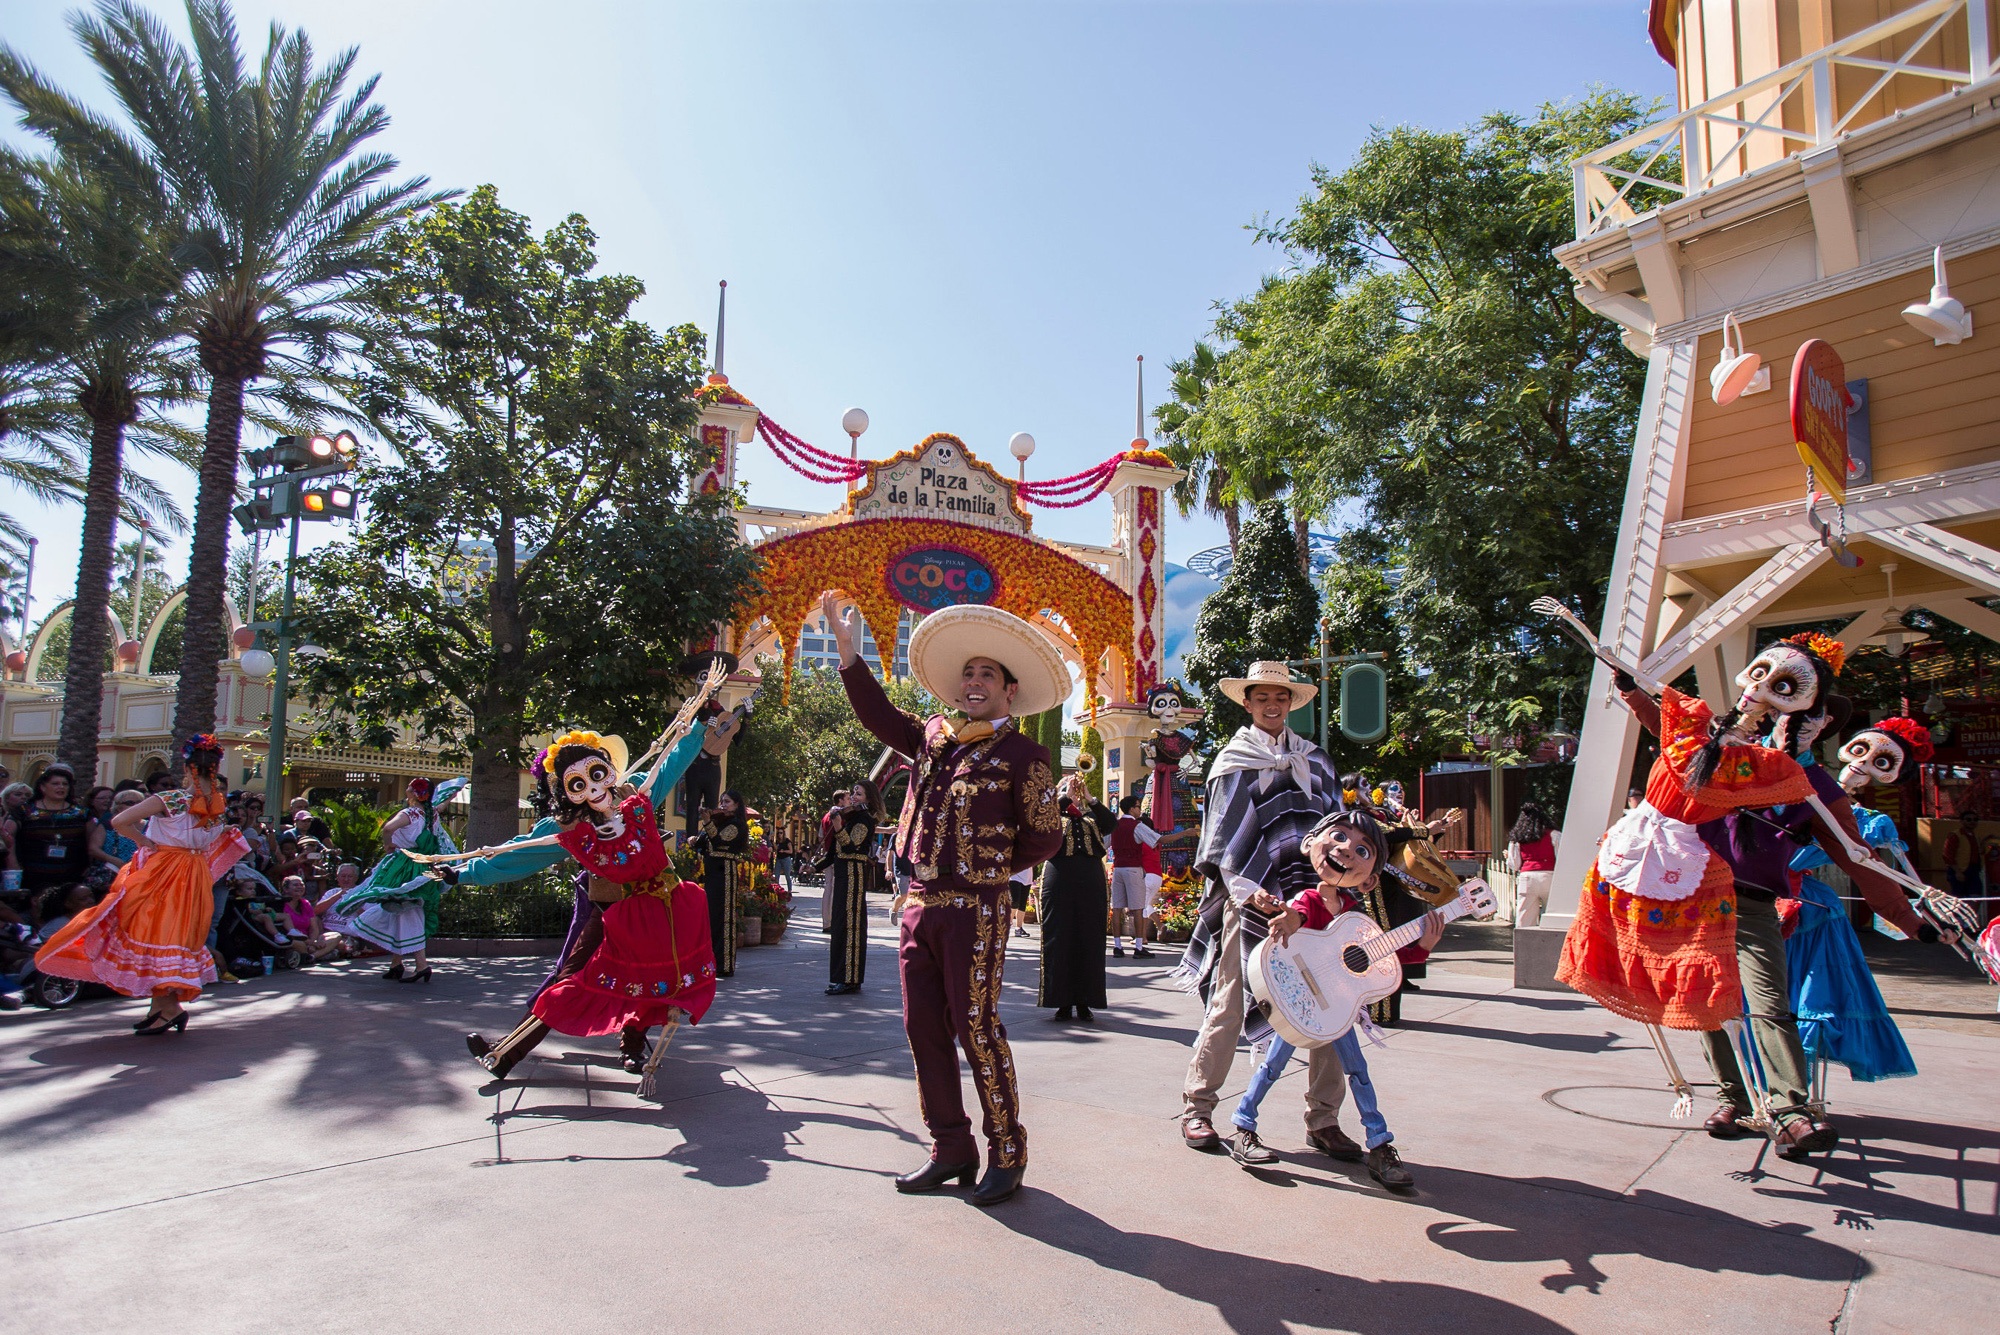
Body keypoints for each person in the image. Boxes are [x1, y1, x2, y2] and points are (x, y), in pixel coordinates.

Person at [826, 592, 1063, 1206]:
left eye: (988, 673)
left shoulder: (1024, 756)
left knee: (975, 1027)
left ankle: (1007, 1151)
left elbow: (1045, 836)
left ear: (1010, 692)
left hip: (976, 910)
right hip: (918, 904)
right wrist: (850, 656)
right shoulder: (933, 737)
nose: (974, 680)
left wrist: (987, 872)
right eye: (969, 673)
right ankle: (950, 1147)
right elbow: (880, 718)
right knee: (921, 1027)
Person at [451, 679, 738, 1080]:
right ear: (569, 793)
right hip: (605, 910)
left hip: (657, 908)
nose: (593, 788)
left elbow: (671, 765)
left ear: (606, 766)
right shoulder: (570, 827)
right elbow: (523, 851)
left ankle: (632, 1047)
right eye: (578, 784)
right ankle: (506, 1054)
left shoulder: (635, 795)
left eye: (596, 773)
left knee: (646, 976)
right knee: (570, 979)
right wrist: (463, 875)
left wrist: (697, 725)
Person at [1173, 661, 1351, 1161]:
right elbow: (1225, 838)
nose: (1272, 705)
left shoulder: (1316, 762)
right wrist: (1251, 892)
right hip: (1249, 900)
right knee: (1229, 1003)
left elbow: (1336, 830)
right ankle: (1198, 1108)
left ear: (1291, 703)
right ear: (1248, 704)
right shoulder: (1233, 760)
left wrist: (1330, 886)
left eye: (1281, 697)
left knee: (1329, 1007)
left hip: (1313, 902)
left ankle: (1324, 1119)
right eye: (1262, 698)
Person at [1233, 809, 1432, 1190]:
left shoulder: (1356, 916)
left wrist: (1422, 944)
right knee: (1272, 1066)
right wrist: (1291, 920)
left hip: (1338, 1008)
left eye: (1362, 849)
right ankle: (1243, 1126)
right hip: (1299, 1002)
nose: (1346, 851)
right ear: (1311, 843)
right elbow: (1299, 917)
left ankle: (1380, 1144)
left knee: (1358, 1071)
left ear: (1371, 877)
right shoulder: (1308, 898)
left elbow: (1384, 956)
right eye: (1339, 838)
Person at [35, 734, 250, 1034]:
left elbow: (119, 821)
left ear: (188, 769)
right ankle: (159, 1006)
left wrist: (145, 842)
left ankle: (169, 1008)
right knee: (175, 936)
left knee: (153, 931)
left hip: (164, 870)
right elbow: (211, 841)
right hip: (194, 873)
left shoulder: (172, 798)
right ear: (214, 769)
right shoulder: (218, 804)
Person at [326, 778, 462, 984]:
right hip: (424, 866)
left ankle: (422, 965)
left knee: (408, 911)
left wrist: (388, 845)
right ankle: (396, 964)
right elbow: (442, 804)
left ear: (414, 793)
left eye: (410, 787)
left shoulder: (409, 813)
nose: (406, 788)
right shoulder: (430, 812)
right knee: (400, 911)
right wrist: (453, 792)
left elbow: (388, 828)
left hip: (405, 866)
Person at [1039, 774, 1114, 1022]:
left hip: (1090, 879)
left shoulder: (1091, 815)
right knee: (1058, 936)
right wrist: (1064, 796)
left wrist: (1090, 798)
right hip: (1059, 876)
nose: (1075, 793)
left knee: (1090, 938)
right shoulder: (1053, 813)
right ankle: (1061, 1002)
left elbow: (1110, 823)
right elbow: (1040, 821)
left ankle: (1085, 1002)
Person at [826, 779, 885, 995]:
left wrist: (838, 826)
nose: (853, 797)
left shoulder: (864, 819)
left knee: (850, 925)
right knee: (840, 924)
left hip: (853, 875)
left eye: (858, 794)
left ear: (868, 798)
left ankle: (849, 978)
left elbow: (851, 847)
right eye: (853, 793)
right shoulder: (852, 817)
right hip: (843, 874)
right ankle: (840, 976)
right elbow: (838, 848)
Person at [16, 764, 100, 894]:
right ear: (43, 787)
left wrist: (89, 867)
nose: (61, 787)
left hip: (72, 876)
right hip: (33, 876)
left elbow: (91, 844)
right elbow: (10, 840)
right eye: (55, 784)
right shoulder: (24, 811)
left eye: (65, 784)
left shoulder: (82, 813)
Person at [695, 790, 752, 979]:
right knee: (712, 918)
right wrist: (695, 841)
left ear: (736, 804)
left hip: (725, 874)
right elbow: (706, 841)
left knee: (724, 918)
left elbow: (718, 841)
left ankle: (725, 964)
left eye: (727, 802)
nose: (722, 805)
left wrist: (707, 822)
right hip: (713, 874)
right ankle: (711, 961)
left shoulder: (736, 824)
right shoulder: (721, 821)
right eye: (721, 801)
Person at [1109, 793, 1161, 959]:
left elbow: (1103, 843)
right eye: (1138, 806)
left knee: (1117, 908)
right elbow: (1158, 839)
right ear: (1132, 809)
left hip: (1118, 868)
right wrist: (1183, 834)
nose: (1139, 810)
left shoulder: (1114, 825)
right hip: (1133, 868)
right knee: (1138, 908)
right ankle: (1139, 946)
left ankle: (1117, 946)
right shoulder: (1137, 826)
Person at [1506, 801, 1561, 928]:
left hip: (1527, 878)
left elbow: (1514, 864)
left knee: (1524, 918)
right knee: (1551, 916)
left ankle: (1524, 945)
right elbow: (1561, 858)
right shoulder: (1554, 835)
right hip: (1549, 876)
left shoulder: (1518, 838)